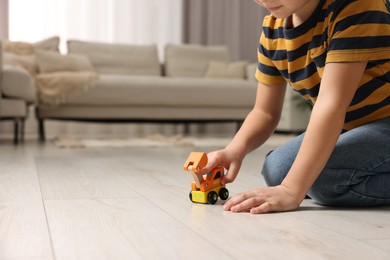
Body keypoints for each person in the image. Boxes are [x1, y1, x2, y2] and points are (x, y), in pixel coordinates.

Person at [201, 0, 390, 214]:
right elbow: (264, 112)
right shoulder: (273, 30)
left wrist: (291, 190)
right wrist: (234, 150)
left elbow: (331, 105)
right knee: (278, 169)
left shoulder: (358, 6)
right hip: (353, 127)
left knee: (323, 180)